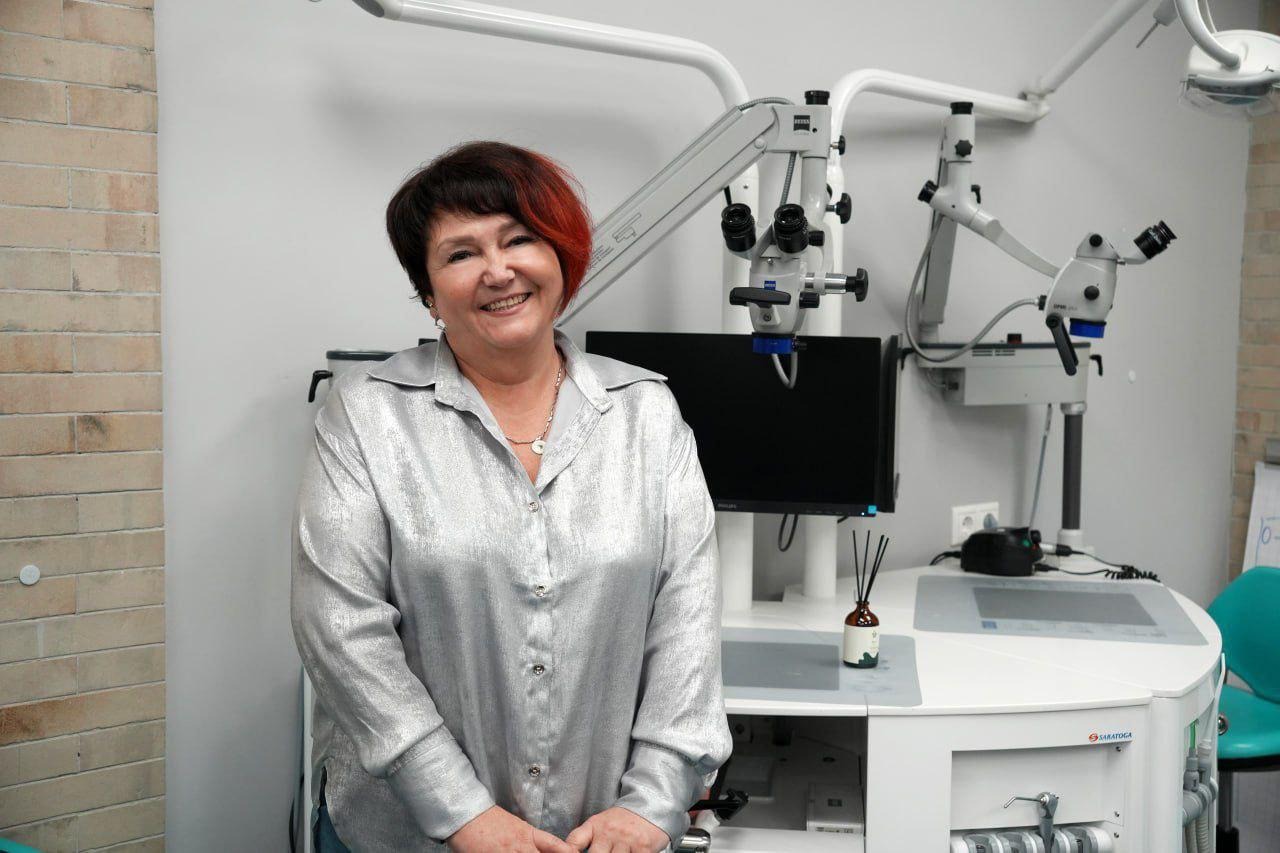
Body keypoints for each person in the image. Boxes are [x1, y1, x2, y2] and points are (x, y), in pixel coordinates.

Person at [292, 140, 732, 852]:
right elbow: (340, 630)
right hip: (405, 834)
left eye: (519, 239)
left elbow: (687, 620)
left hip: (601, 834)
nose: (498, 270)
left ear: (561, 258)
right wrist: (463, 813)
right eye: (461, 253)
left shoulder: (646, 413)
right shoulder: (366, 414)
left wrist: (654, 802)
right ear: (429, 291)